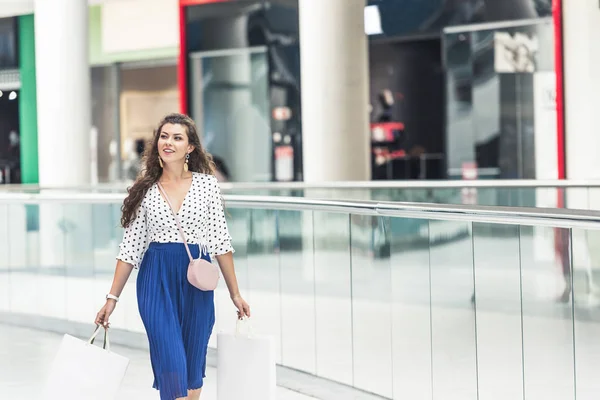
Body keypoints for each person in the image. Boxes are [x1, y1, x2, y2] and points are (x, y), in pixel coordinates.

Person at [95, 113, 251, 400]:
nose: (168, 142)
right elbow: (130, 247)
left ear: (190, 147)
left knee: (192, 368)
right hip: (156, 279)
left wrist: (235, 294)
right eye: (164, 136)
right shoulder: (145, 189)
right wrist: (111, 299)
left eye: (177, 137)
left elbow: (220, 242)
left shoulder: (207, 185)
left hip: (196, 282)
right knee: (170, 361)